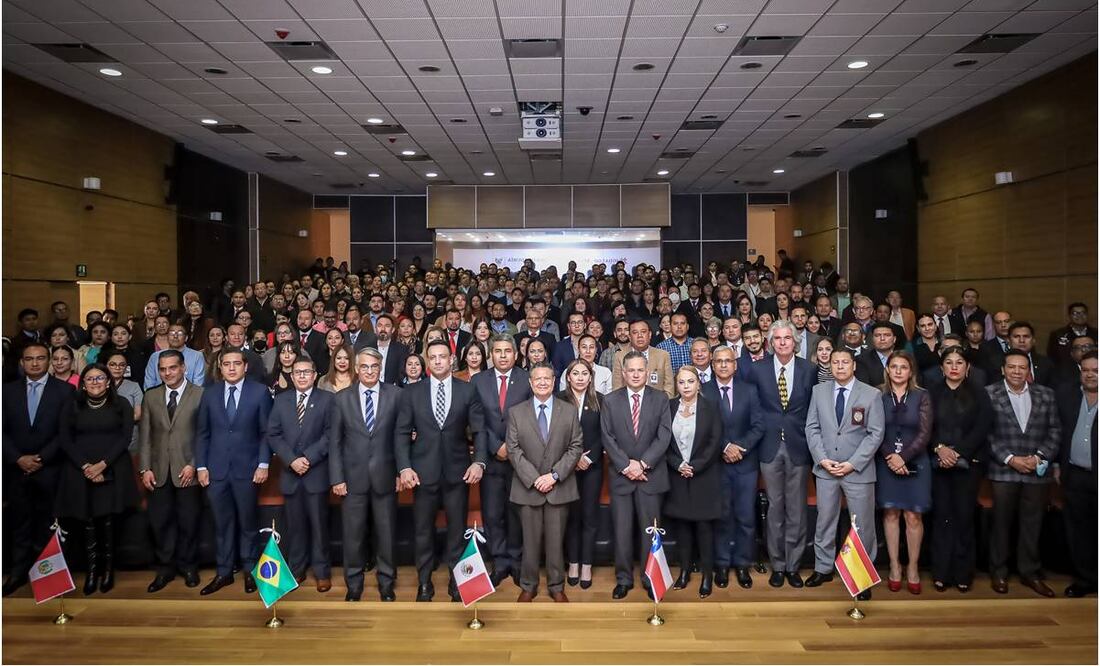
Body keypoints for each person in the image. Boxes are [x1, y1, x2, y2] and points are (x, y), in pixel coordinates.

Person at [395, 340, 486, 602]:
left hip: (458, 473)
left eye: (442, 356)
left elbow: (480, 430)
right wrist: (404, 467)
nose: (437, 361)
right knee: (423, 531)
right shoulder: (412, 392)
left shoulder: (467, 390)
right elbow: (401, 433)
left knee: (457, 531)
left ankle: (457, 582)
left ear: (451, 359)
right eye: (432, 357)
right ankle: (424, 583)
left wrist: (479, 462)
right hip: (422, 474)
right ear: (427, 360)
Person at [804, 348, 885, 600]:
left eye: (845, 362)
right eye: (835, 362)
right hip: (826, 468)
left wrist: (853, 463)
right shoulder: (819, 391)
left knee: (861, 525)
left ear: (854, 365)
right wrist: (822, 459)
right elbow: (812, 427)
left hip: (857, 470)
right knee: (825, 520)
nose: (840, 366)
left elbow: (875, 434)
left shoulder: (871, 394)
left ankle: (862, 576)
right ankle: (823, 568)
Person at [194, 348, 273, 596]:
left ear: (245, 366)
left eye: (236, 363)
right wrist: (201, 466)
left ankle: (250, 570)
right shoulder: (209, 393)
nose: (231, 368)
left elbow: (266, 433)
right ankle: (224, 572)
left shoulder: (259, 392)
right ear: (220, 367)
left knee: (248, 523)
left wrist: (263, 464)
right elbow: (202, 433)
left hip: (247, 469)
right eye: (226, 364)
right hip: (216, 471)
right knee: (222, 524)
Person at [54, 364, 139, 595]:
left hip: (112, 468)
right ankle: (92, 571)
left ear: (108, 381)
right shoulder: (72, 405)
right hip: (79, 470)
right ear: (82, 383)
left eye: (100, 378)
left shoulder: (122, 404)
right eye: (90, 379)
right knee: (88, 521)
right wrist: (86, 467)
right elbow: (65, 439)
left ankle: (108, 571)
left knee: (107, 520)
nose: (95, 382)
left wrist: (102, 465)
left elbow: (125, 438)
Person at [744, 321, 816, 587]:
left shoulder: (809, 370)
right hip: (769, 445)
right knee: (774, 507)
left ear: (795, 342)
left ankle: (793, 565)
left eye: (787, 338)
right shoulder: (757, 370)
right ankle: (777, 564)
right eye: (778, 338)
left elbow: (813, 409)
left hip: (799, 445)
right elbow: (753, 409)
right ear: (771, 342)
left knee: (796, 508)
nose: (783, 342)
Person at [986, 350, 1061, 597]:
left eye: (1022, 367)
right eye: (1011, 367)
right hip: (1003, 470)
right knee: (1001, 523)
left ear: (1029, 370)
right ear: (1003, 370)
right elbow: (986, 433)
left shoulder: (1046, 394)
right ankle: (999, 572)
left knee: (1033, 523)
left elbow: (1055, 430)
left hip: (1036, 470)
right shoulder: (989, 393)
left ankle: (1030, 572)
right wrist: (1010, 459)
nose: (1016, 371)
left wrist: (1039, 457)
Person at [2, 342, 75, 596]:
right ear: (22, 362)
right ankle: (18, 573)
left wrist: (41, 458)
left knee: (49, 525)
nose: (35, 363)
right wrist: (18, 458)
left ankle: (49, 577)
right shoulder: (6, 391)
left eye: (40, 358)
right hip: (16, 469)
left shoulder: (65, 391)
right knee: (19, 523)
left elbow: (65, 432)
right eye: (29, 359)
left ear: (49, 361)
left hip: (50, 469)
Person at [505, 362, 583, 602]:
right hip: (527, 488)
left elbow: (576, 446)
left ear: (554, 381)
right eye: (537, 379)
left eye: (546, 378)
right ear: (530, 383)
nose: (542, 382)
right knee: (529, 542)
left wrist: (554, 476)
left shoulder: (568, 410)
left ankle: (556, 586)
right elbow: (513, 449)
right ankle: (528, 585)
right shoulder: (516, 412)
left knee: (556, 541)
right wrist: (535, 478)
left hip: (559, 487)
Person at [329, 348, 400, 602]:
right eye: (365, 367)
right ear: (356, 369)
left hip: (386, 476)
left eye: (374, 366)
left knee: (387, 535)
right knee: (353, 536)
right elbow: (335, 443)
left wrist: (400, 471)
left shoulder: (396, 395)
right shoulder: (341, 399)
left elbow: (400, 438)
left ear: (380, 368)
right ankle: (354, 584)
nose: (370, 371)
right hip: (352, 479)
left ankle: (386, 583)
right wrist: (337, 478)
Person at [601, 350, 672, 600]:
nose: (635, 374)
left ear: (647, 372)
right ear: (623, 372)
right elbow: (607, 437)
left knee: (649, 531)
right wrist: (627, 466)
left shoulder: (660, 399)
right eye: (630, 370)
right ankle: (623, 579)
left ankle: (649, 577)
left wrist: (642, 464)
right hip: (621, 477)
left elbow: (664, 435)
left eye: (640, 370)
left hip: (650, 476)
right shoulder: (610, 400)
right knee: (621, 532)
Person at [927, 348, 992, 593]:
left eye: (959, 362)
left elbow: (982, 427)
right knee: (941, 517)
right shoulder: (931, 392)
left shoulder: (979, 393)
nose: (954, 367)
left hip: (969, 464)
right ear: (942, 367)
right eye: (949, 362)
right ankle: (941, 572)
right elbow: (926, 426)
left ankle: (963, 572)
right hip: (938, 463)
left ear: (967, 367)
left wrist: (958, 453)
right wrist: (940, 448)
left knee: (964, 517)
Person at [138, 350, 203, 592]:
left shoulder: (200, 394)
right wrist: (145, 468)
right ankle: (165, 569)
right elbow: (145, 436)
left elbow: (204, 434)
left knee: (189, 522)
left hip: (188, 470)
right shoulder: (151, 396)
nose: (167, 373)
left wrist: (194, 464)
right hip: (158, 471)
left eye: (172, 368)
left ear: (183, 368)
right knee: (160, 522)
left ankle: (189, 567)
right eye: (163, 369)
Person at [266, 356, 333, 593]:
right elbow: (273, 434)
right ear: (292, 377)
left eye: (306, 372)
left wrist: (309, 458)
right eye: (297, 373)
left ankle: (322, 572)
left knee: (319, 526)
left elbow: (330, 434)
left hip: (316, 473)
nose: (302, 376)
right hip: (290, 474)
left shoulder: (327, 400)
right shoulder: (281, 401)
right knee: (295, 527)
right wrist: (292, 460)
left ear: (315, 375)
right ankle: (297, 569)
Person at [471, 334, 531, 588]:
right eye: (498, 351)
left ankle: (516, 561)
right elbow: (476, 420)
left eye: (508, 351)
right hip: (491, 458)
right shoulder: (478, 381)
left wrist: (511, 447)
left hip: (520, 459)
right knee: (493, 513)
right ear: (491, 354)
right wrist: (496, 446)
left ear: (516, 355)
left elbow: (531, 418)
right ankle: (500, 561)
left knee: (516, 512)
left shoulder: (527, 379)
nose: (503, 355)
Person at [702, 346, 764, 589]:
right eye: (719, 361)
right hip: (717, 464)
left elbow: (758, 425)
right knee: (722, 516)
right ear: (712, 365)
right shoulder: (704, 391)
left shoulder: (749, 390)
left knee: (745, 517)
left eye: (728, 361)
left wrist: (740, 448)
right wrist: (725, 447)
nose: (723, 365)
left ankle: (742, 564)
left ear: (735, 365)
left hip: (746, 464)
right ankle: (722, 564)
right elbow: (703, 428)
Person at [875, 351, 932, 595]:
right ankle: (895, 566)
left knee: (913, 516)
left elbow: (925, 433)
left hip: (916, 462)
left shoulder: (922, 396)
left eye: (904, 367)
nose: (898, 371)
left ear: (911, 372)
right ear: (887, 370)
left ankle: (913, 567)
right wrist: (891, 456)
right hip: (886, 460)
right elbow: (874, 430)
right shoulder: (878, 395)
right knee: (890, 514)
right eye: (894, 367)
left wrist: (903, 457)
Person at [666, 366, 723, 598]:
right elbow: (664, 441)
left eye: (690, 381)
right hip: (677, 475)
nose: (686, 386)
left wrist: (695, 466)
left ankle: (707, 575)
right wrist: (678, 464)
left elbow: (714, 441)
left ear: (699, 383)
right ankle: (684, 572)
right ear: (677, 385)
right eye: (682, 382)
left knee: (704, 528)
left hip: (704, 475)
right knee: (683, 527)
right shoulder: (669, 407)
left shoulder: (711, 406)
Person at [560, 358, 604, 590]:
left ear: (590, 377)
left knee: (589, 516)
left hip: (592, 467)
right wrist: (573, 459)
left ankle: (586, 564)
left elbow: (605, 434)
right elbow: (554, 434)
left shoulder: (601, 400)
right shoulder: (559, 399)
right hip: (566, 468)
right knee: (571, 517)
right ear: (568, 377)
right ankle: (573, 563)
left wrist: (588, 458)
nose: (579, 377)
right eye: (575, 373)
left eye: (584, 373)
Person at [1056, 351, 1097, 598]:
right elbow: (1058, 432)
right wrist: (1056, 464)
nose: (1090, 374)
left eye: (1096, 370)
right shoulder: (1067, 395)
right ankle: (1085, 579)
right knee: (1078, 531)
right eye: (1086, 370)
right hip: (1074, 475)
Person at [611, 319, 675, 397]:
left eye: (643, 332)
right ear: (629, 337)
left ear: (650, 334)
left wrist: (659, 403)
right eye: (635, 333)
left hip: (658, 403)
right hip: (628, 403)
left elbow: (669, 389)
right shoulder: (619, 356)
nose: (640, 336)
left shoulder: (663, 355)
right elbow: (616, 390)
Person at [144, 324, 205, 390]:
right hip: (159, 395)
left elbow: (198, 385)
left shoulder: (197, 356)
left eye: (180, 333)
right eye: (172, 333)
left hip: (189, 395)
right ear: (167, 337)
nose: (175, 336)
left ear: (186, 338)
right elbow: (149, 384)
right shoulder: (155, 357)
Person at [1048, 303, 1098, 369]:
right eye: (1075, 313)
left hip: (1093, 369)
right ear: (1069, 316)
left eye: (1083, 313)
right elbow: (1052, 357)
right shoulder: (1057, 334)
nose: (1079, 316)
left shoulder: (1097, 333)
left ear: (1087, 315)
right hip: (1065, 371)